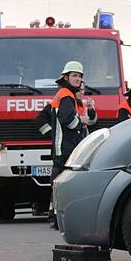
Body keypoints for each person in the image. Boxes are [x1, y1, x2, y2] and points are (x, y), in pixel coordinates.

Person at [49, 61, 96, 227]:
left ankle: (56, 218)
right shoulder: (66, 95)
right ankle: (58, 219)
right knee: (63, 184)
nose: (78, 79)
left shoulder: (66, 95)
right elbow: (67, 120)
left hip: (66, 146)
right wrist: (81, 121)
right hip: (65, 147)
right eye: (75, 75)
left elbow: (91, 120)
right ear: (66, 77)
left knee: (59, 183)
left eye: (80, 76)